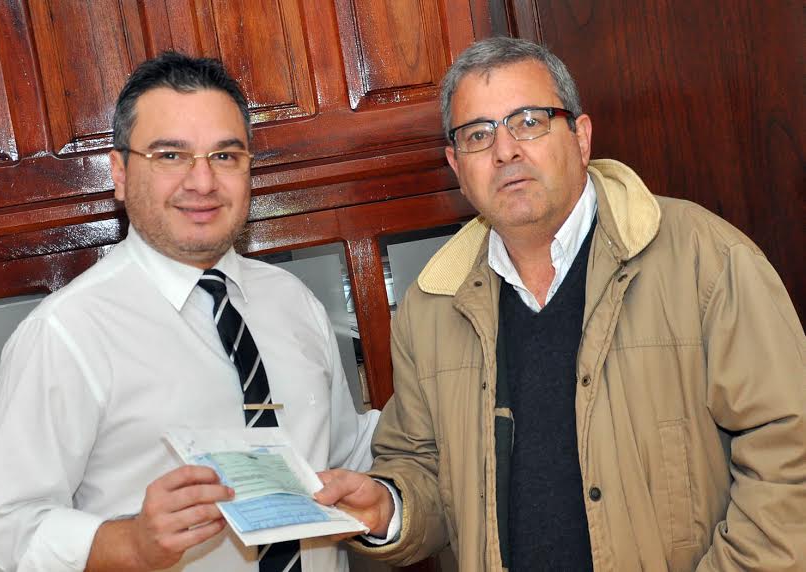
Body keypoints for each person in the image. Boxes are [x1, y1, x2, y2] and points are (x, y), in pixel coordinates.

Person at [315, 36, 806, 571]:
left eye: (529, 121)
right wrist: (390, 508)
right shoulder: (430, 308)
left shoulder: (704, 259)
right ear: (456, 165)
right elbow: (426, 471)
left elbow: (789, 449)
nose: (505, 150)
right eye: (478, 134)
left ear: (581, 136)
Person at [0, 52, 379, 571]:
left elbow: (343, 455)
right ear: (119, 172)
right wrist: (130, 544)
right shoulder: (65, 333)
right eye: (170, 155)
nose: (202, 182)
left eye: (225, 155)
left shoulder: (294, 303)